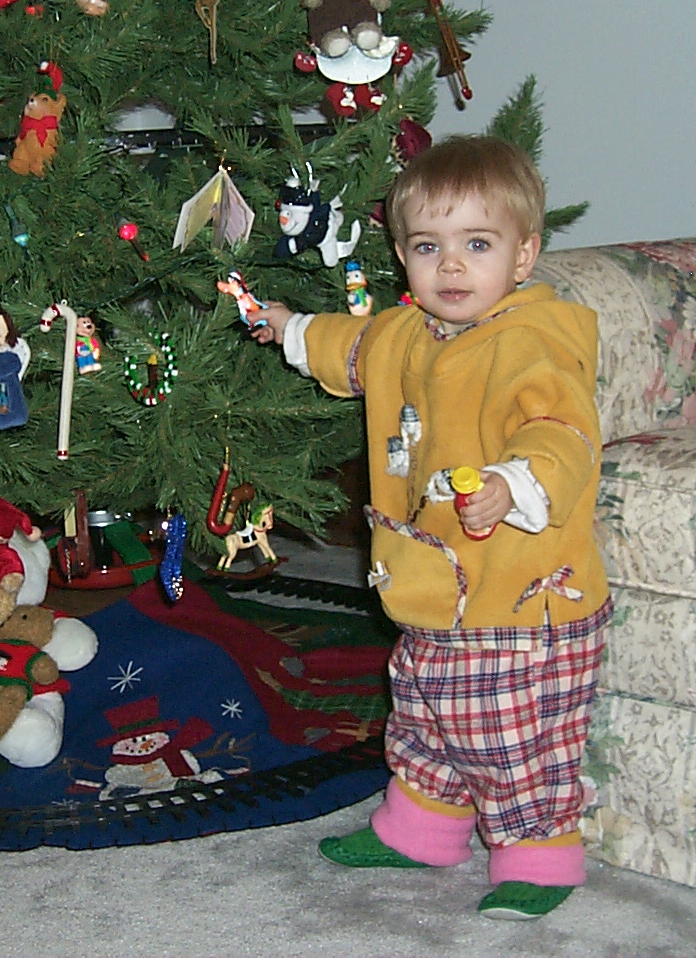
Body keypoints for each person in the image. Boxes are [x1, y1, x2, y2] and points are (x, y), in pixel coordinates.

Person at [247, 135, 610, 920]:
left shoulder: (533, 343)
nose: (450, 266)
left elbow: (561, 432)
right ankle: (421, 830)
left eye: (476, 245)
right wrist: (290, 328)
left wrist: (514, 483)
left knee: (507, 736)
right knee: (424, 714)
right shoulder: (408, 333)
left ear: (523, 255)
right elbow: (352, 347)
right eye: (427, 247)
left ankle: (540, 853)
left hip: (521, 600)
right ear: (402, 255)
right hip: (431, 583)